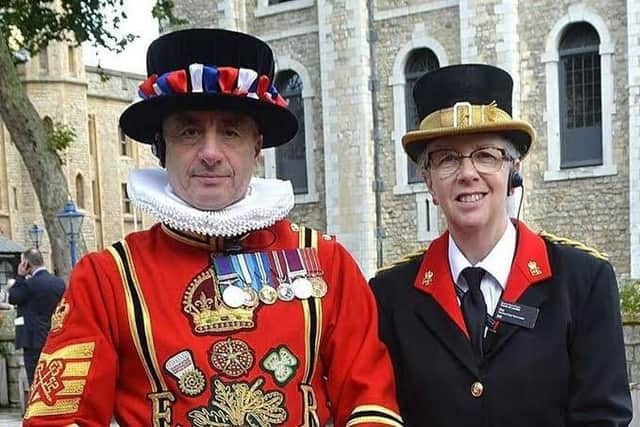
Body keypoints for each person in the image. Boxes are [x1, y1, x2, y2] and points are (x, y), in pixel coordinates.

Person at [23, 28, 402, 427]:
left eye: (230, 130)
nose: (209, 152)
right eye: (189, 131)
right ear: (160, 146)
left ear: (256, 146)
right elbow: (59, 418)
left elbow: (371, 402)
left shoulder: (327, 262)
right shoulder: (105, 278)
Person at [370, 64, 632, 427]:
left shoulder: (583, 282)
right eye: (447, 158)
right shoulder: (390, 295)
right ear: (428, 182)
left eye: (486, 155)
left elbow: (603, 418)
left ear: (513, 172)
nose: (467, 173)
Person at [8, 248, 65, 386]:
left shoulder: (28, 285)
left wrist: (20, 276)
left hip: (32, 340)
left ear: (26, 263)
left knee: (35, 381)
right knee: (52, 380)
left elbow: (13, 297)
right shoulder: (59, 283)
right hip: (53, 338)